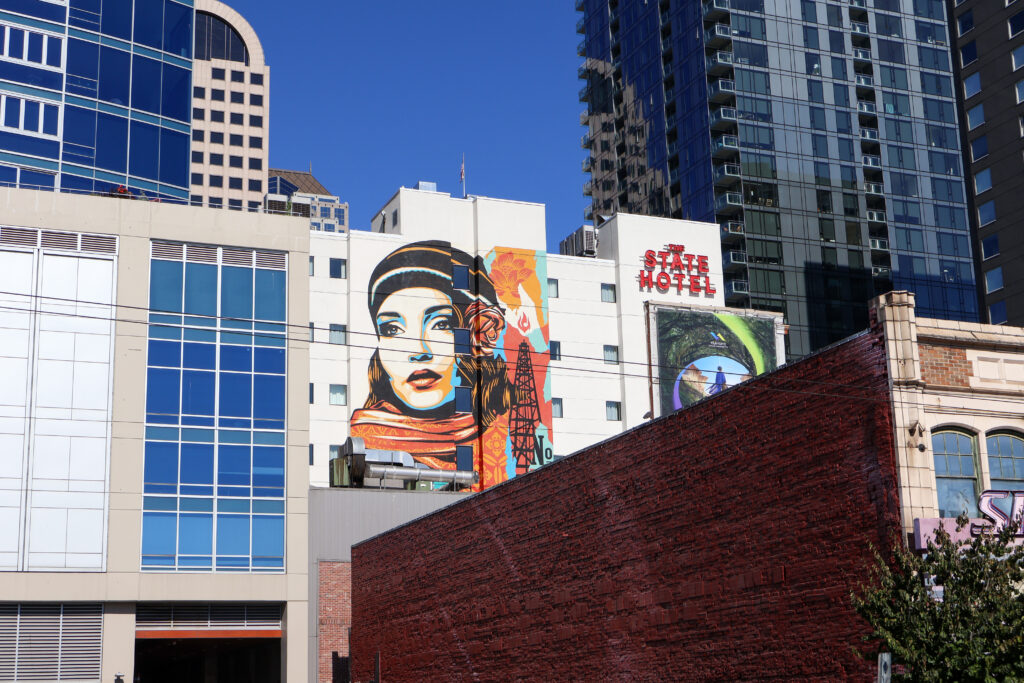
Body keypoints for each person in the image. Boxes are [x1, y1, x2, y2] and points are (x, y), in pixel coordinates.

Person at [349, 241, 511, 484]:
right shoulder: (362, 443)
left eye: (441, 324)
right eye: (392, 329)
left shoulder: (506, 433)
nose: (418, 351)